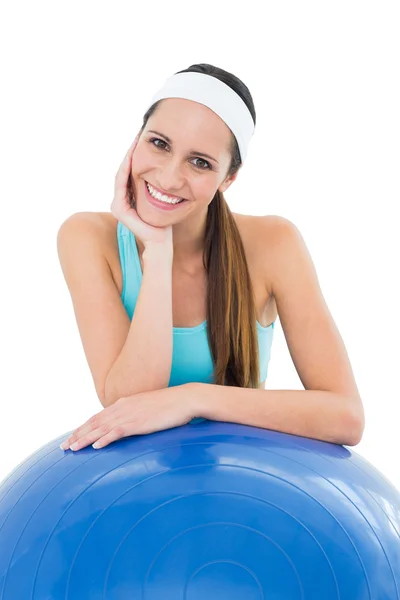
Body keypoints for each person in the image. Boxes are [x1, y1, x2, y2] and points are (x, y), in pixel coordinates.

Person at [57, 63, 365, 452]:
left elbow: (346, 417)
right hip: (138, 494)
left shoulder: (275, 243)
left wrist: (192, 398)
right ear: (135, 141)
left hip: (240, 494)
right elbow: (127, 401)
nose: (169, 178)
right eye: (159, 143)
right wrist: (157, 249)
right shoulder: (86, 237)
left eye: (200, 162)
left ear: (228, 179)